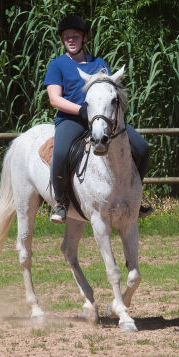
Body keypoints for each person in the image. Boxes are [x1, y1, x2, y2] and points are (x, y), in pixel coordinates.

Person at [43, 15, 153, 223]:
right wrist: (80, 111)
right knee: (60, 152)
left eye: (75, 35)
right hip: (72, 120)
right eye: (67, 37)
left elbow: (111, 93)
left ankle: (135, 197)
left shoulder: (99, 63)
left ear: (84, 38)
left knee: (142, 148)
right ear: (62, 40)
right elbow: (54, 99)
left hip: (104, 120)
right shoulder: (57, 65)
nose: (71, 40)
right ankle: (61, 203)